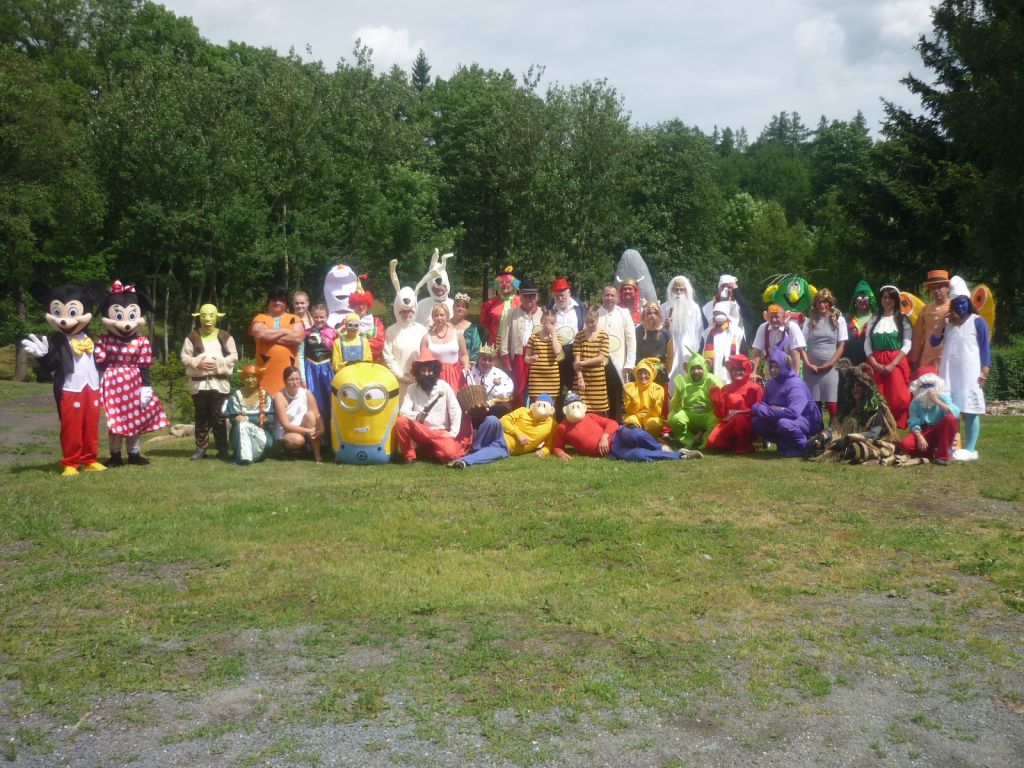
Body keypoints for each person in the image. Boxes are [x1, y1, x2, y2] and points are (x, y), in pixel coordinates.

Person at [95, 280, 169, 466]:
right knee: (115, 419)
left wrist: (146, 386)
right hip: (112, 383)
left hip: (134, 383)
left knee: (134, 417)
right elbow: (100, 363)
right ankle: (115, 454)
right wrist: (98, 381)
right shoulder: (105, 340)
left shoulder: (141, 341)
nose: (126, 324)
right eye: (119, 316)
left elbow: (144, 365)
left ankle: (134, 453)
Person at [551, 391, 697, 462]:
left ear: (583, 407)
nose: (575, 410)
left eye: (577, 406)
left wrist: (604, 436)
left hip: (618, 435)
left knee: (636, 434)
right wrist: (561, 453)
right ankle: (680, 455)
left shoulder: (591, 416)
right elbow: (557, 446)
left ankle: (660, 447)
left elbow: (612, 423)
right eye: (572, 407)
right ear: (565, 410)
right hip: (612, 451)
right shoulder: (562, 428)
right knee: (638, 455)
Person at [938, 278, 991, 461]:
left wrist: (985, 369)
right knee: (950, 410)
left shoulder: (978, 321)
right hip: (949, 372)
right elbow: (934, 341)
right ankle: (951, 445)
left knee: (970, 410)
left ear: (969, 303)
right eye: (957, 303)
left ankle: (970, 448)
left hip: (969, 373)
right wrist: (942, 324)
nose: (961, 306)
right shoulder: (949, 324)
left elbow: (985, 348)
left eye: (964, 302)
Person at [807, 360, 899, 464]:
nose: (855, 389)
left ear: (866, 388)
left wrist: (847, 439)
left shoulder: (877, 408)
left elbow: (873, 434)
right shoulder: (850, 408)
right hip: (850, 439)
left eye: (859, 385)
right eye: (853, 386)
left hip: (874, 442)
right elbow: (837, 428)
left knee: (854, 450)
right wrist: (823, 436)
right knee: (817, 443)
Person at [181, 303, 238, 460]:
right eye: (204, 316)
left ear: (216, 317)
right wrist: (196, 363)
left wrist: (219, 364)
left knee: (219, 417)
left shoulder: (225, 336)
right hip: (199, 384)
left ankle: (222, 449)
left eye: (211, 315)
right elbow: (185, 357)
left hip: (219, 384)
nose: (207, 319)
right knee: (201, 416)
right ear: (199, 317)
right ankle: (201, 449)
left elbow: (234, 356)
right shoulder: (192, 336)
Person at [394, 350, 467, 464]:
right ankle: (410, 456)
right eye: (423, 370)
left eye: (430, 370)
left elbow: (455, 410)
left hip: (440, 433)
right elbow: (403, 412)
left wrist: (452, 433)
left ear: (435, 371)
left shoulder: (444, 386)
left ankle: (428, 450)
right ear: (418, 372)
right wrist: (417, 415)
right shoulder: (412, 389)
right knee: (401, 422)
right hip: (421, 432)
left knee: (450, 455)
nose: (427, 374)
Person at [449, 393, 557, 468]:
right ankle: (474, 449)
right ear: (533, 406)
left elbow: (550, 444)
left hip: (506, 446)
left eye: (544, 406)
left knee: (490, 452)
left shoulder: (552, 424)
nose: (541, 409)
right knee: (492, 420)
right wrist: (518, 433)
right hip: (499, 433)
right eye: (539, 405)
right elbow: (504, 420)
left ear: (551, 410)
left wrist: (544, 451)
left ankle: (464, 461)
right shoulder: (523, 410)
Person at [751, 347, 823, 457]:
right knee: (757, 422)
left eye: (776, 367)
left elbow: (793, 412)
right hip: (784, 416)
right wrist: (761, 408)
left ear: (784, 366)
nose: (773, 370)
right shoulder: (772, 383)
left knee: (784, 423)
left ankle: (805, 447)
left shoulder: (795, 384)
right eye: (771, 367)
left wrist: (768, 410)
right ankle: (784, 445)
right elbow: (766, 405)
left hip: (807, 419)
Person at [864, 285, 912, 429]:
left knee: (899, 396)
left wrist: (892, 365)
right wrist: (873, 362)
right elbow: (867, 342)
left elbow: (907, 343)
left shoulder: (902, 319)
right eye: (885, 297)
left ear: (896, 300)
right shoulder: (874, 319)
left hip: (895, 359)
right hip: (876, 359)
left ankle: (895, 424)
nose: (887, 300)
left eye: (891, 298)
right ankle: (878, 424)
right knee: (877, 393)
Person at [801, 288, 848, 422]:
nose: (822, 305)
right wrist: (808, 364)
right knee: (813, 403)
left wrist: (830, 363)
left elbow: (841, 345)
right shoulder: (809, 321)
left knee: (831, 403)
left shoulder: (839, 320)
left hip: (831, 367)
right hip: (812, 368)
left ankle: (833, 430)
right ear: (815, 304)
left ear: (830, 303)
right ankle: (817, 430)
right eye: (819, 302)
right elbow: (801, 346)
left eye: (825, 302)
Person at [898, 366, 959, 465]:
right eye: (924, 386)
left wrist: (937, 401)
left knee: (950, 418)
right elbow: (913, 422)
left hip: (941, 430)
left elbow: (955, 413)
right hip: (924, 432)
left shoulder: (943, 397)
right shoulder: (915, 403)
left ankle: (942, 456)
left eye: (931, 385)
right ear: (918, 387)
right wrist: (919, 437)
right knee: (905, 444)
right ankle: (934, 451)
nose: (928, 389)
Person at [250, 286, 304, 396]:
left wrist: (269, 337)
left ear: (286, 303)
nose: (278, 303)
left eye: (282, 300)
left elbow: (298, 338)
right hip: (265, 372)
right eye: (274, 300)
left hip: (290, 373)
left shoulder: (295, 319)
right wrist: (286, 331)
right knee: (265, 402)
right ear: (269, 302)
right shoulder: (260, 318)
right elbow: (260, 334)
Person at [499, 277, 543, 407]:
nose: (529, 299)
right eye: (525, 296)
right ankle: (517, 415)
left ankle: (537, 415)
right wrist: (506, 358)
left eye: (532, 296)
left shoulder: (542, 313)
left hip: (538, 356)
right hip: (518, 356)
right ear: (520, 296)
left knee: (537, 390)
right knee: (518, 390)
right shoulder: (512, 313)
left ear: (537, 297)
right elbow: (504, 337)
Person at [706, 354, 763, 454]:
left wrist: (743, 413)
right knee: (712, 442)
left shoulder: (755, 388)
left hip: (746, 422)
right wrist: (717, 401)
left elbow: (759, 409)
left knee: (740, 420)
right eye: (735, 369)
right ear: (731, 371)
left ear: (747, 370)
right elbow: (721, 414)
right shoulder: (726, 388)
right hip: (729, 422)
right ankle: (733, 443)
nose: (738, 372)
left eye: (741, 369)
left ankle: (744, 445)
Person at [222, 364, 277, 464]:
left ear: (258, 378)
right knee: (242, 426)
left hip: (261, 430)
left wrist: (247, 419)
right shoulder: (236, 396)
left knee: (269, 444)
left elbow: (270, 418)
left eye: (253, 377)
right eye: (247, 377)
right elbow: (233, 418)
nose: (250, 380)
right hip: (239, 431)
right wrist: (240, 419)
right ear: (243, 378)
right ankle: (244, 458)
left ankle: (250, 455)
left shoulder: (266, 396)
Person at [597, 284, 636, 421]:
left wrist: (629, 362)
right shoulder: (596, 313)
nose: (609, 298)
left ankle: (616, 423)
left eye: (612, 295)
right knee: (600, 394)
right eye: (607, 295)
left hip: (618, 361)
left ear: (618, 298)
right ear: (602, 296)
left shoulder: (624, 313)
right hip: (598, 360)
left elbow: (631, 340)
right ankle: (601, 422)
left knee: (616, 394)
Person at [667, 354, 721, 450]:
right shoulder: (683, 381)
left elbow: (721, 404)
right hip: (689, 414)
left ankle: (706, 441)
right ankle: (688, 440)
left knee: (717, 419)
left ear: (705, 367)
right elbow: (675, 407)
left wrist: (715, 395)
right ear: (688, 369)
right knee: (673, 418)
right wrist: (679, 394)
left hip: (707, 414)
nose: (696, 372)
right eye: (692, 368)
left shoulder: (712, 381)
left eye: (699, 368)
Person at [272, 366, 324, 462]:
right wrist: (308, 431)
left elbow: (317, 414)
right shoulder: (279, 396)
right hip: (285, 430)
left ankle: (318, 456)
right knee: (298, 440)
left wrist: (321, 429)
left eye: (297, 379)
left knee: (310, 416)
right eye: (291, 380)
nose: (295, 382)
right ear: (285, 381)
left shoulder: (307, 393)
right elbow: (286, 425)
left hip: (303, 427)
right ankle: (284, 447)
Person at [382, 291, 428, 399]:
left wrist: (421, 375)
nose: (407, 314)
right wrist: (401, 376)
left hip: (419, 381)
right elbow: (388, 357)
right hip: (398, 382)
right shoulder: (391, 331)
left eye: (410, 311)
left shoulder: (422, 330)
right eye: (404, 311)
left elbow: (427, 354)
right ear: (398, 311)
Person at [302, 304, 338, 440]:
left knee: (329, 400)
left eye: (322, 317)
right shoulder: (306, 333)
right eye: (316, 317)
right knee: (314, 401)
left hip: (327, 369)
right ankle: (316, 437)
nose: (319, 320)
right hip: (311, 369)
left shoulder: (333, 332)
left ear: (327, 317)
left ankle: (331, 437)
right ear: (312, 317)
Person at [548, 277, 585, 405]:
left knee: (574, 383)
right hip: (556, 351)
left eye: (562, 295)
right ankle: (559, 411)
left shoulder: (579, 307)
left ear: (569, 293)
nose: (560, 298)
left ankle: (574, 409)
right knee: (558, 383)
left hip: (576, 350)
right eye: (557, 296)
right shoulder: (550, 309)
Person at [663, 276, 702, 388]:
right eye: (676, 290)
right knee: (671, 375)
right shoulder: (664, 307)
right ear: (671, 290)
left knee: (688, 374)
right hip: (671, 346)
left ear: (686, 290)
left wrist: (696, 350)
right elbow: (659, 330)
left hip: (688, 347)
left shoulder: (694, 308)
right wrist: (665, 325)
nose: (679, 293)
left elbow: (698, 330)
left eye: (682, 290)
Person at [421, 302, 470, 392]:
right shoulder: (426, 338)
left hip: (455, 374)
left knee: (455, 399)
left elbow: (464, 354)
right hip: (434, 375)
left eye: (442, 315)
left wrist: (466, 365)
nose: (439, 318)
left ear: (447, 316)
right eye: (436, 315)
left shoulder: (457, 334)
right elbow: (422, 361)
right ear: (432, 317)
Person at [910, 269, 951, 372]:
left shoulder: (955, 307)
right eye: (933, 288)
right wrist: (914, 359)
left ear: (947, 288)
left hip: (949, 356)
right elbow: (917, 336)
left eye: (940, 287)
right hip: (928, 356)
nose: (936, 291)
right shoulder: (925, 309)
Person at [573, 305, 610, 416]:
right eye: (587, 322)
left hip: (597, 378)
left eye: (592, 321)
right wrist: (580, 378)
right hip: (582, 376)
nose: (589, 324)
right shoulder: (579, 336)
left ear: (597, 319)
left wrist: (582, 363)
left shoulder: (603, 336)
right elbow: (576, 360)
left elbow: (600, 358)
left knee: (598, 410)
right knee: (580, 409)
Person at [751, 304, 806, 376]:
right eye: (771, 317)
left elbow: (796, 352)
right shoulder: (763, 328)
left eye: (777, 317)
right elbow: (757, 351)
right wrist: (752, 372)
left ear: (784, 316)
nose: (774, 320)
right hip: (771, 369)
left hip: (790, 368)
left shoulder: (791, 327)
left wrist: (795, 375)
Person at [526, 308, 563, 408]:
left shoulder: (557, 337)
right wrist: (531, 359)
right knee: (537, 408)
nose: (549, 326)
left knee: (550, 408)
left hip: (552, 377)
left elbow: (557, 351)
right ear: (541, 321)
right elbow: (526, 358)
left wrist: (553, 334)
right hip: (536, 377)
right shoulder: (533, 337)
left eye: (552, 323)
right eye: (547, 322)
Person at [466, 344, 514, 419]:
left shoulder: (499, 374)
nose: (487, 363)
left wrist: (489, 402)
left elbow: (506, 391)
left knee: (503, 408)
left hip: (492, 408)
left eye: (490, 360)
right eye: (484, 359)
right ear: (478, 360)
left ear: (494, 362)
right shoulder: (470, 372)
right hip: (472, 409)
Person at [700, 301, 745, 381]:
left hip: (731, 374)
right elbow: (700, 352)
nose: (718, 316)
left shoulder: (737, 332)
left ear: (727, 315)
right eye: (716, 313)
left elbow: (744, 353)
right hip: (711, 374)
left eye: (721, 313)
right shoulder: (706, 333)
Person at [635, 301, 673, 392]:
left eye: (655, 313)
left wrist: (665, 370)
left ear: (659, 314)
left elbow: (670, 356)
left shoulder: (665, 333)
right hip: (642, 371)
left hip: (659, 370)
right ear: (644, 315)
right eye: (649, 313)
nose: (652, 315)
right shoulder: (637, 332)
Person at [701, 274, 752, 342]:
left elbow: (749, 315)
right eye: (723, 286)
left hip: (735, 341)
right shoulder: (708, 306)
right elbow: (704, 327)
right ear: (719, 288)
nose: (725, 289)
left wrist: (737, 293)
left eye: (728, 286)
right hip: (713, 342)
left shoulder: (738, 304)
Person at [623, 359, 665, 437]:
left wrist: (653, 403)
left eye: (646, 373)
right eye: (640, 373)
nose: (643, 376)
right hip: (636, 416)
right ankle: (637, 440)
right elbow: (629, 412)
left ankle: (651, 440)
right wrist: (633, 401)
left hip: (651, 416)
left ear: (651, 374)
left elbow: (656, 414)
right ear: (636, 374)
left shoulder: (658, 389)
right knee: (631, 421)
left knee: (654, 425)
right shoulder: (630, 387)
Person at [480, 266, 520, 347]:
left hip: (516, 344)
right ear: (498, 285)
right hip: (494, 344)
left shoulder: (521, 302)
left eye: (508, 282)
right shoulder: (490, 303)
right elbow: (485, 322)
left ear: (513, 285)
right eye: (501, 283)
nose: (505, 285)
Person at [349, 291, 386, 364]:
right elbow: (341, 343)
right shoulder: (346, 322)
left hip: (372, 363)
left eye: (363, 303)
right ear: (353, 306)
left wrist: (355, 345)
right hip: (352, 365)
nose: (360, 306)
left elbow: (379, 343)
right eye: (357, 304)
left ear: (367, 305)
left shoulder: (376, 322)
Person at [845, 280, 877, 366]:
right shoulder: (846, 319)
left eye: (866, 298)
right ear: (855, 302)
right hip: (850, 364)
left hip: (871, 364)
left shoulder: (877, 319)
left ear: (870, 300)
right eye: (859, 298)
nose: (862, 301)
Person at [451, 292, 485, 364]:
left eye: (463, 307)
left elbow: (476, 349)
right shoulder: (445, 325)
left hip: (465, 365)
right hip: (446, 364)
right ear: (453, 307)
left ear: (467, 310)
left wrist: (468, 364)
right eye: (458, 306)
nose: (460, 309)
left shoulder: (472, 329)